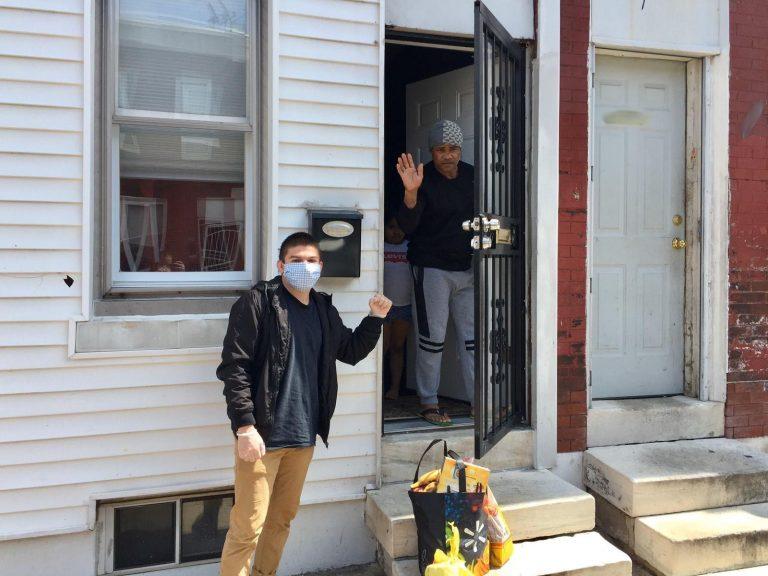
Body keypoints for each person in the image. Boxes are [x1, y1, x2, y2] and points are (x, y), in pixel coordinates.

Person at [217, 232, 391, 576]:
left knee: (280, 522)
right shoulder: (258, 302)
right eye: (296, 260)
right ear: (281, 265)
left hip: (303, 437)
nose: (304, 266)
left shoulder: (324, 309)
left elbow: (351, 351)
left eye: (311, 261)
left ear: (320, 267)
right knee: (247, 527)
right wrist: (245, 426)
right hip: (262, 437)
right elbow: (234, 367)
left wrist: (375, 319)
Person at [396, 119, 474, 426]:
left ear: (460, 149)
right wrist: (411, 193)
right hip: (431, 269)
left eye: (452, 148)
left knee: (473, 340)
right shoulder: (420, 178)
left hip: (469, 268)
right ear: (432, 150)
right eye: (440, 149)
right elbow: (407, 228)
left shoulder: (472, 176)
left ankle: (479, 402)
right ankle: (429, 402)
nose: (447, 155)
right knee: (432, 339)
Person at [382, 215, 412, 401]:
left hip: (404, 304)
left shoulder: (410, 247)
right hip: (383, 305)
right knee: (382, 347)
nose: (396, 231)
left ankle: (394, 389)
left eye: (401, 227)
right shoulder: (379, 246)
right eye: (391, 226)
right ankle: (379, 387)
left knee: (398, 348)